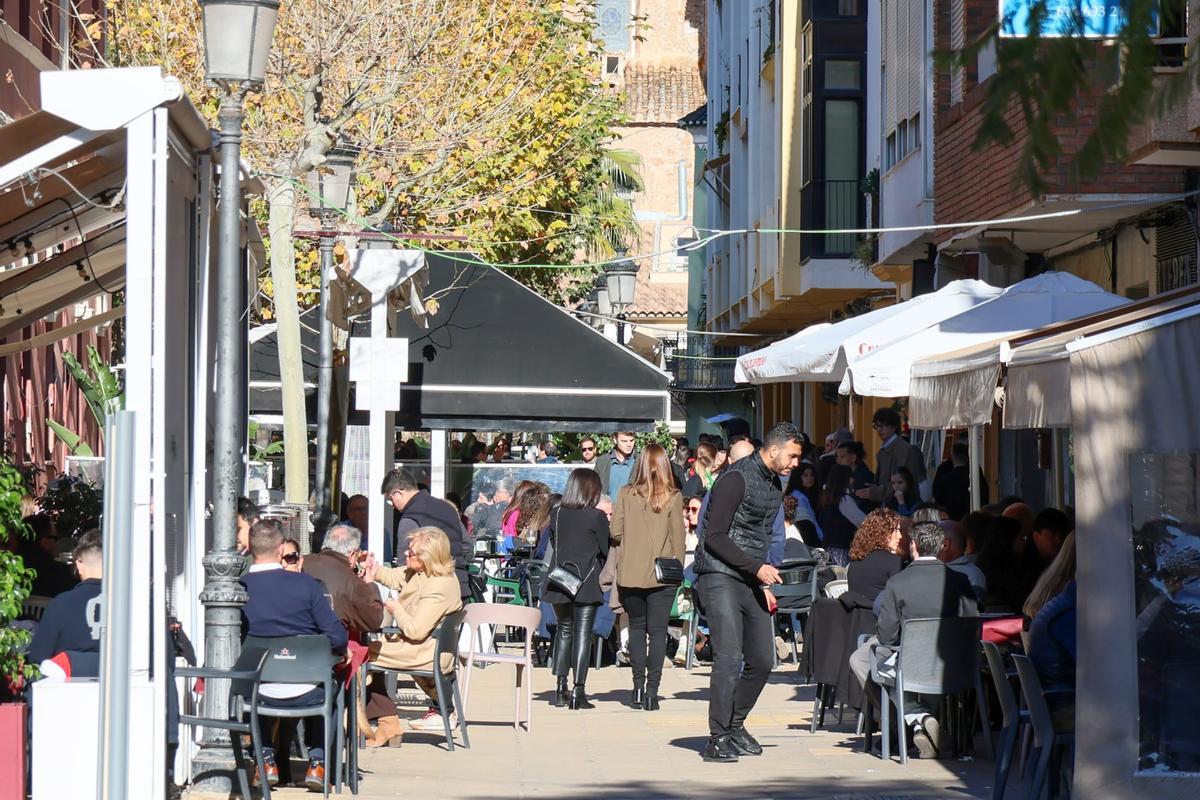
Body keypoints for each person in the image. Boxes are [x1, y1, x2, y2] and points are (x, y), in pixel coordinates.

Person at [694, 422, 801, 763]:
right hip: (719, 574)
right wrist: (756, 569)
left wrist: (763, 580)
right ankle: (717, 737)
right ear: (773, 449)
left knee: (763, 659)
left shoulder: (773, 484)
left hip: (751, 578)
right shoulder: (735, 478)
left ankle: (735, 724)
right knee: (729, 656)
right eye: (793, 455)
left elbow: (767, 537)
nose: (796, 463)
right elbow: (714, 536)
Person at [848, 521, 979, 759]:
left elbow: (887, 637)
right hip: (954, 665)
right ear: (941, 547)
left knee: (861, 659)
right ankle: (922, 722)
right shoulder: (960, 581)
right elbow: (972, 624)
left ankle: (914, 717)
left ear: (913, 546)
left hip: (909, 664)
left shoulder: (898, 583)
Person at [240, 519, 348, 789]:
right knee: (335, 691)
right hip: (308, 688)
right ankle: (318, 763)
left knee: (259, 674)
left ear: (250, 549)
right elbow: (337, 636)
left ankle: (265, 759)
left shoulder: (238, 588)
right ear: (280, 550)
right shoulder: (306, 585)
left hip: (258, 688)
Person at [359, 527, 463, 743]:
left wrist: (395, 608)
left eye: (412, 552)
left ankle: (380, 720)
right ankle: (386, 718)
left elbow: (415, 631)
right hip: (419, 645)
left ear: (429, 556)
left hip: (427, 651)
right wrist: (372, 568)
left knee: (357, 656)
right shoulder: (420, 572)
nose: (406, 554)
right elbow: (394, 576)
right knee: (363, 653)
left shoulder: (439, 585)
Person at [611, 444, 685, 711]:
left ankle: (638, 688)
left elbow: (615, 532)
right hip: (663, 574)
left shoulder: (626, 494)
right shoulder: (673, 497)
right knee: (657, 632)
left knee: (637, 630)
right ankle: (653, 692)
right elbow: (679, 538)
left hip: (631, 573)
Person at [542, 468, 610, 709]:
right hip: (586, 582)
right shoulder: (597, 517)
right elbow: (605, 547)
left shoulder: (557, 513)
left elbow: (554, 542)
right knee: (583, 634)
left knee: (564, 630)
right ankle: (578, 690)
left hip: (559, 580)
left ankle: (560, 687)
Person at [381, 467, 471, 600]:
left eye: (390, 499)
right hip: (459, 588)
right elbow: (468, 546)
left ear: (398, 493)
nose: (392, 505)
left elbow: (404, 568)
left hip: (429, 596)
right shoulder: (448, 508)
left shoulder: (410, 519)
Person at [28, 530, 103, 676]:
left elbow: (37, 659)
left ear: (79, 565)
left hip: (67, 691)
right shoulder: (130, 605)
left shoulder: (61, 604)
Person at [302, 524, 385, 635]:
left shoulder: (301, 563)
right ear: (351, 555)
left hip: (291, 641)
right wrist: (370, 582)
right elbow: (373, 621)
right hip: (328, 645)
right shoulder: (352, 582)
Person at [857, 408, 927, 507]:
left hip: (903, 506)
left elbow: (906, 482)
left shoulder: (904, 449)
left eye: (884, 425)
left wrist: (876, 492)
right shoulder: (883, 450)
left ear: (894, 426)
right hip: (889, 504)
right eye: (877, 425)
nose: (880, 429)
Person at [845, 509, 907, 610]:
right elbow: (899, 599)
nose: (899, 536)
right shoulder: (893, 561)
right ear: (882, 532)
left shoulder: (854, 561)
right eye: (895, 530)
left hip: (854, 620)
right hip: (878, 619)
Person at [818, 464, 864, 567]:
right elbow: (862, 522)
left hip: (829, 549)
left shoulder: (826, 499)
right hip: (843, 551)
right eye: (851, 477)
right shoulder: (844, 500)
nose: (853, 480)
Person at [932, 443, 988, 521]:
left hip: (951, 523)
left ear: (952, 457)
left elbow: (938, 502)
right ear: (967, 457)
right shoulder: (976, 477)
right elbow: (985, 497)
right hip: (973, 521)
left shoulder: (944, 481)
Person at [937, 520, 987, 602]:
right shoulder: (928, 569)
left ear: (945, 545)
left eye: (932, 542)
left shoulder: (973, 576)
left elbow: (972, 609)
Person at [783, 462, 823, 547]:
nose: (810, 478)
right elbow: (804, 523)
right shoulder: (798, 496)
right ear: (798, 477)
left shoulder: (807, 495)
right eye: (805, 475)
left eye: (811, 475)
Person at [596, 431, 638, 496]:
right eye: (624, 441)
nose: (629, 445)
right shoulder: (602, 461)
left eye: (631, 440)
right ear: (615, 440)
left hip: (632, 505)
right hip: (606, 505)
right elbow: (595, 489)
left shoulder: (641, 461)